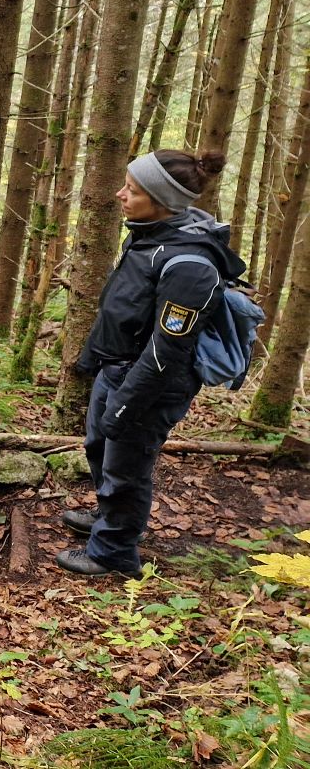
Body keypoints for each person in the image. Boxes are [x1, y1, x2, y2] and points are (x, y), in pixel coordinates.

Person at [57, 149, 244, 578]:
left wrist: (128, 401)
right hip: (119, 368)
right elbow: (126, 308)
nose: (121, 194)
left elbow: (168, 348)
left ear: (163, 200)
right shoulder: (150, 234)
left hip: (151, 381)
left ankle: (114, 554)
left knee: (127, 466)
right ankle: (113, 520)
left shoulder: (190, 264)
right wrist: (94, 361)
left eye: (133, 190)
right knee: (101, 449)